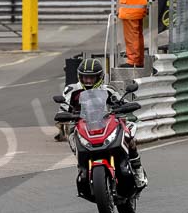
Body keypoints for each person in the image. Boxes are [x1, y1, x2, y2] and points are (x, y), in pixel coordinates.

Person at [60, 58, 147, 189]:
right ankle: (82, 167)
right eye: (85, 77)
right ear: (79, 77)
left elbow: (121, 102)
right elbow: (62, 108)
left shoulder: (108, 89)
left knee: (129, 134)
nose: (88, 81)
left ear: (99, 77)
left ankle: (138, 170)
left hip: (105, 122)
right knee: (72, 137)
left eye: (91, 78)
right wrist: (65, 115)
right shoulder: (71, 90)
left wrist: (123, 107)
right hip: (81, 125)